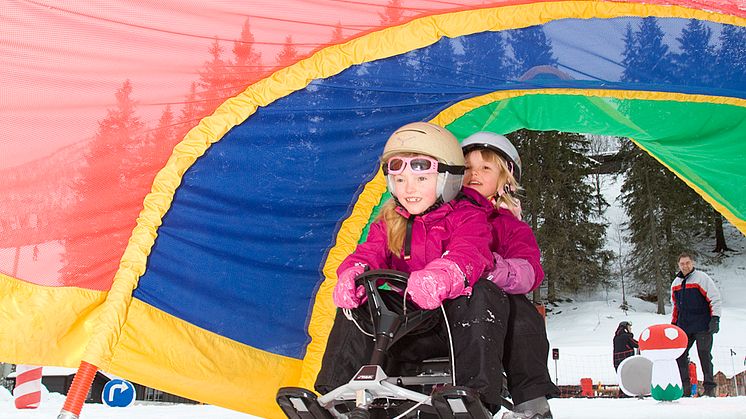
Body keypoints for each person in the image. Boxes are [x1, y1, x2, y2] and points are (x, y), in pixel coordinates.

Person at [315, 122, 508, 416]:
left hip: (449, 328)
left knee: (482, 292)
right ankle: (336, 393)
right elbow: (370, 252)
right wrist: (353, 271)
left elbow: (470, 252)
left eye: (420, 179)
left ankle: (475, 396)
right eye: (400, 180)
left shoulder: (469, 217)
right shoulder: (390, 220)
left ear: (448, 180)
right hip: (403, 330)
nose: (409, 189)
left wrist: (444, 274)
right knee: (360, 301)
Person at [461, 132, 559, 419]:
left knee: (521, 315)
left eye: (485, 168)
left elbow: (528, 271)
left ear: (505, 179)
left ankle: (529, 400)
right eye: (467, 168)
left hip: (492, 302)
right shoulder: (444, 214)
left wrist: (491, 268)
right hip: (447, 301)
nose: (474, 174)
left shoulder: (509, 227)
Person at [671, 251, 722, 397]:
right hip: (684, 326)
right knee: (680, 355)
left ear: (692, 263)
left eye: (687, 263)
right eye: (682, 264)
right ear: (679, 265)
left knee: (704, 354)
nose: (685, 266)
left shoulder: (701, 278)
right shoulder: (676, 283)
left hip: (702, 325)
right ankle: (685, 388)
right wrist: (674, 325)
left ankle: (709, 389)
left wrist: (715, 318)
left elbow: (715, 298)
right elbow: (675, 307)